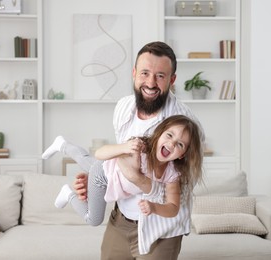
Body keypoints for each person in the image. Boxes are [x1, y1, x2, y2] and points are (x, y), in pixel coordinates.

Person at [73, 41, 205, 259]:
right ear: (134, 73)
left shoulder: (187, 125)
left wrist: (138, 179)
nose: (151, 83)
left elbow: (177, 190)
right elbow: (122, 161)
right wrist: (98, 178)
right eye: (145, 73)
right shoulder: (123, 108)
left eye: (160, 76)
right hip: (121, 220)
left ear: (172, 80)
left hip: (161, 230)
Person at [42, 115, 203, 229]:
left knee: (85, 159)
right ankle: (68, 194)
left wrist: (154, 208)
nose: (172, 143)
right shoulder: (141, 149)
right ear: (159, 133)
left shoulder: (172, 174)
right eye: (169, 135)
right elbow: (100, 153)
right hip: (103, 177)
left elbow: (173, 207)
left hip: (108, 172)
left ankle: (62, 144)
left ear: (182, 154)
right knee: (94, 220)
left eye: (180, 144)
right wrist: (124, 148)